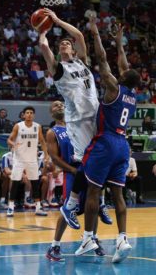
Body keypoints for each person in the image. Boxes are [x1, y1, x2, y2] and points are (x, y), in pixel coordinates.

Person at [74, 21, 140, 263]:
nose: (120, 69)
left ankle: (88, 237)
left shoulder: (114, 88)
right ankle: (123, 238)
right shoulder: (133, 94)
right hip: (123, 144)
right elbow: (123, 64)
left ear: (121, 78)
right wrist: (120, 43)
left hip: (106, 141)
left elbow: (102, 60)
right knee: (118, 194)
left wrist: (95, 34)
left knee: (93, 190)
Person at [39, 8, 112, 228]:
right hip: (78, 121)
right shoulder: (58, 68)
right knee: (85, 163)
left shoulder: (82, 62)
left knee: (103, 160)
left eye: (67, 43)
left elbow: (79, 36)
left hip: (96, 115)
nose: (64, 44)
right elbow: (43, 45)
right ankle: (70, 205)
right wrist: (41, 30)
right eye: (61, 44)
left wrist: (58, 20)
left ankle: (99, 200)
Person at [46, 101, 105, 261]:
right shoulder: (53, 132)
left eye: (61, 104)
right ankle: (54, 246)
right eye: (55, 105)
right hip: (72, 173)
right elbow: (54, 157)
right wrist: (72, 170)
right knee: (68, 209)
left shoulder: (77, 126)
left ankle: (92, 238)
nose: (59, 106)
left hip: (88, 170)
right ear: (51, 113)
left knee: (93, 206)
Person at [6, 106, 49, 217]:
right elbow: (9, 139)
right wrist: (13, 144)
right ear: (24, 115)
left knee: (35, 184)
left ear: (33, 115)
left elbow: (43, 141)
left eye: (31, 113)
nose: (29, 114)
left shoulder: (37, 126)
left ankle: (38, 208)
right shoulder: (18, 126)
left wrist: (46, 155)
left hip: (32, 159)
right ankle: (10, 207)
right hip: (19, 159)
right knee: (15, 183)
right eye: (27, 112)